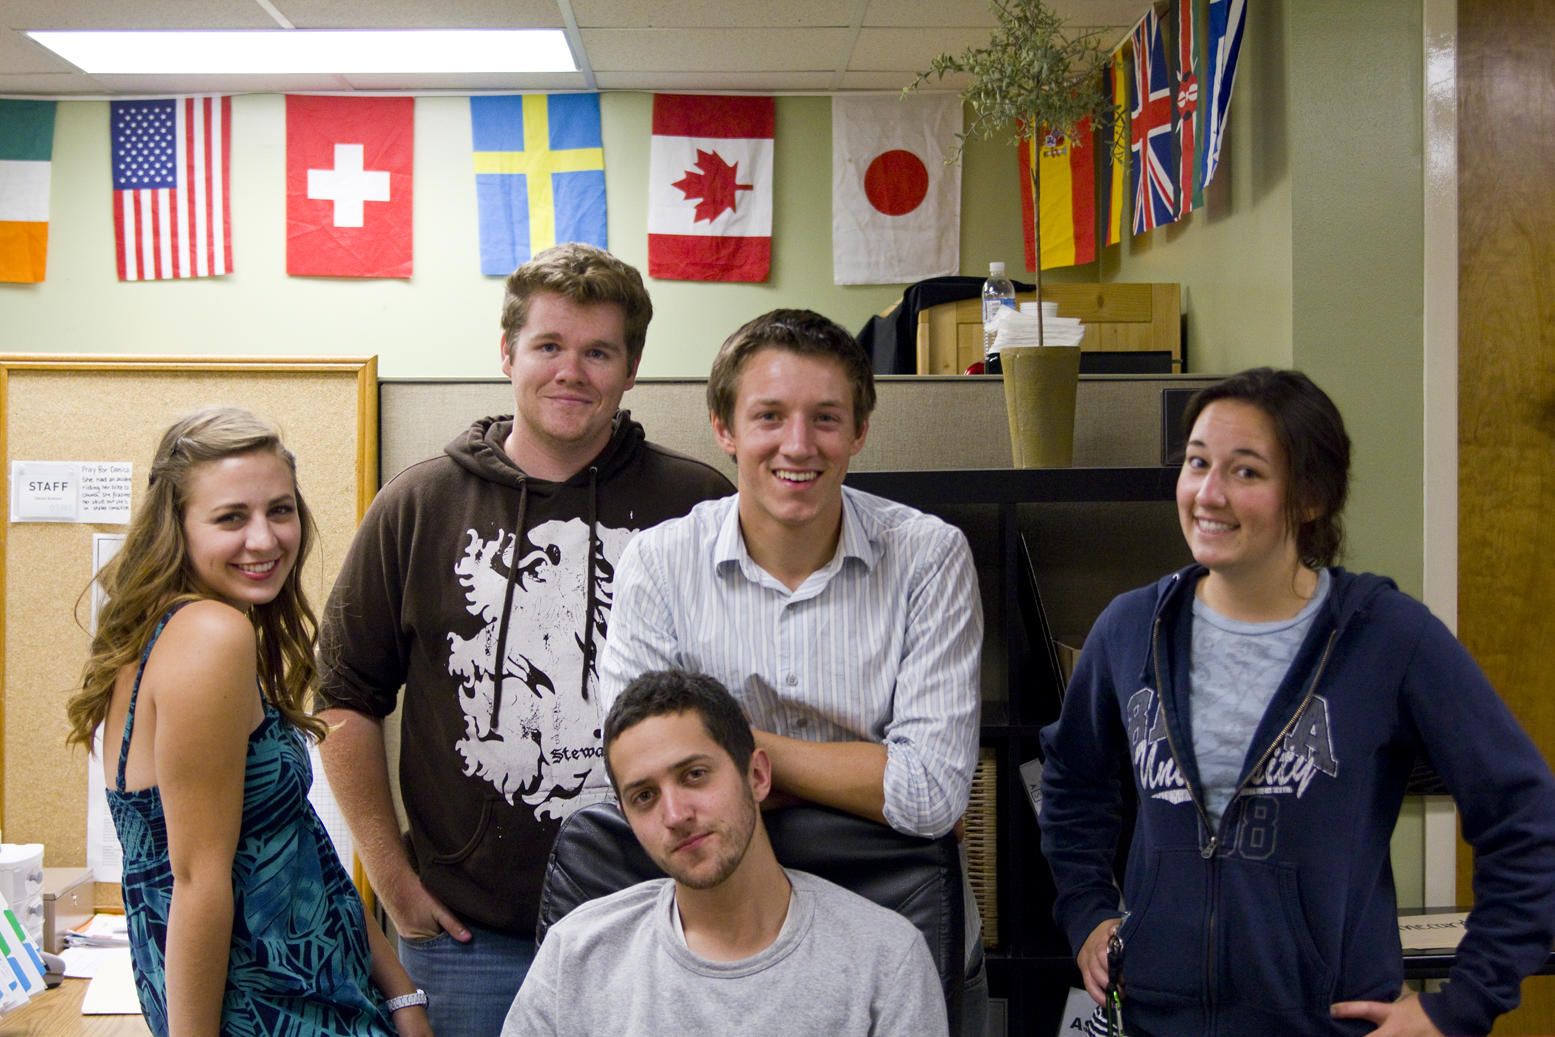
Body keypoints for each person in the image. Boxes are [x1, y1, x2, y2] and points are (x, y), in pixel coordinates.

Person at [1038, 368, 1555, 1037]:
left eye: (1245, 471)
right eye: (1196, 462)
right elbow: (1072, 780)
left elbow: (1525, 816)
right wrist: (1086, 909)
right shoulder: (1130, 627)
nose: (1207, 493)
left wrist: (1455, 1004)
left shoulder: (1387, 636)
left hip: (1325, 1023)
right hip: (1153, 1020)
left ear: (1309, 496)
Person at [315, 243, 733, 1037]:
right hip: (471, 942)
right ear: (507, 352)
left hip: (658, 922)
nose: (570, 370)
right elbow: (343, 699)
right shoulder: (418, 505)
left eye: (597, 351)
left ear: (631, 367)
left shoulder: (698, 504)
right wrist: (393, 878)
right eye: (548, 345)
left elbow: (740, 702)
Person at [597, 308, 986, 1033]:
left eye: (827, 418)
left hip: (905, 925)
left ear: (860, 430)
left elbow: (931, 795)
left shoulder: (928, 557)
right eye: (769, 415)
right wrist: (870, 776)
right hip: (719, 940)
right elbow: (642, 771)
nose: (798, 445)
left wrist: (726, 755)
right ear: (724, 427)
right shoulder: (657, 563)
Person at [64, 407, 430, 1037]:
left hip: (318, 989)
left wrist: (400, 995)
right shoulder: (210, 635)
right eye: (232, 517)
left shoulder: (177, 631)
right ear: (175, 528)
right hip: (270, 1010)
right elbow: (197, 883)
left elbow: (294, 837)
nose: (264, 539)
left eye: (280, 510)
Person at [503, 669, 947, 1037]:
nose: (674, 814)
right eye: (644, 797)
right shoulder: (575, 954)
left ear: (756, 776)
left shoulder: (887, 959)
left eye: (695, 774)